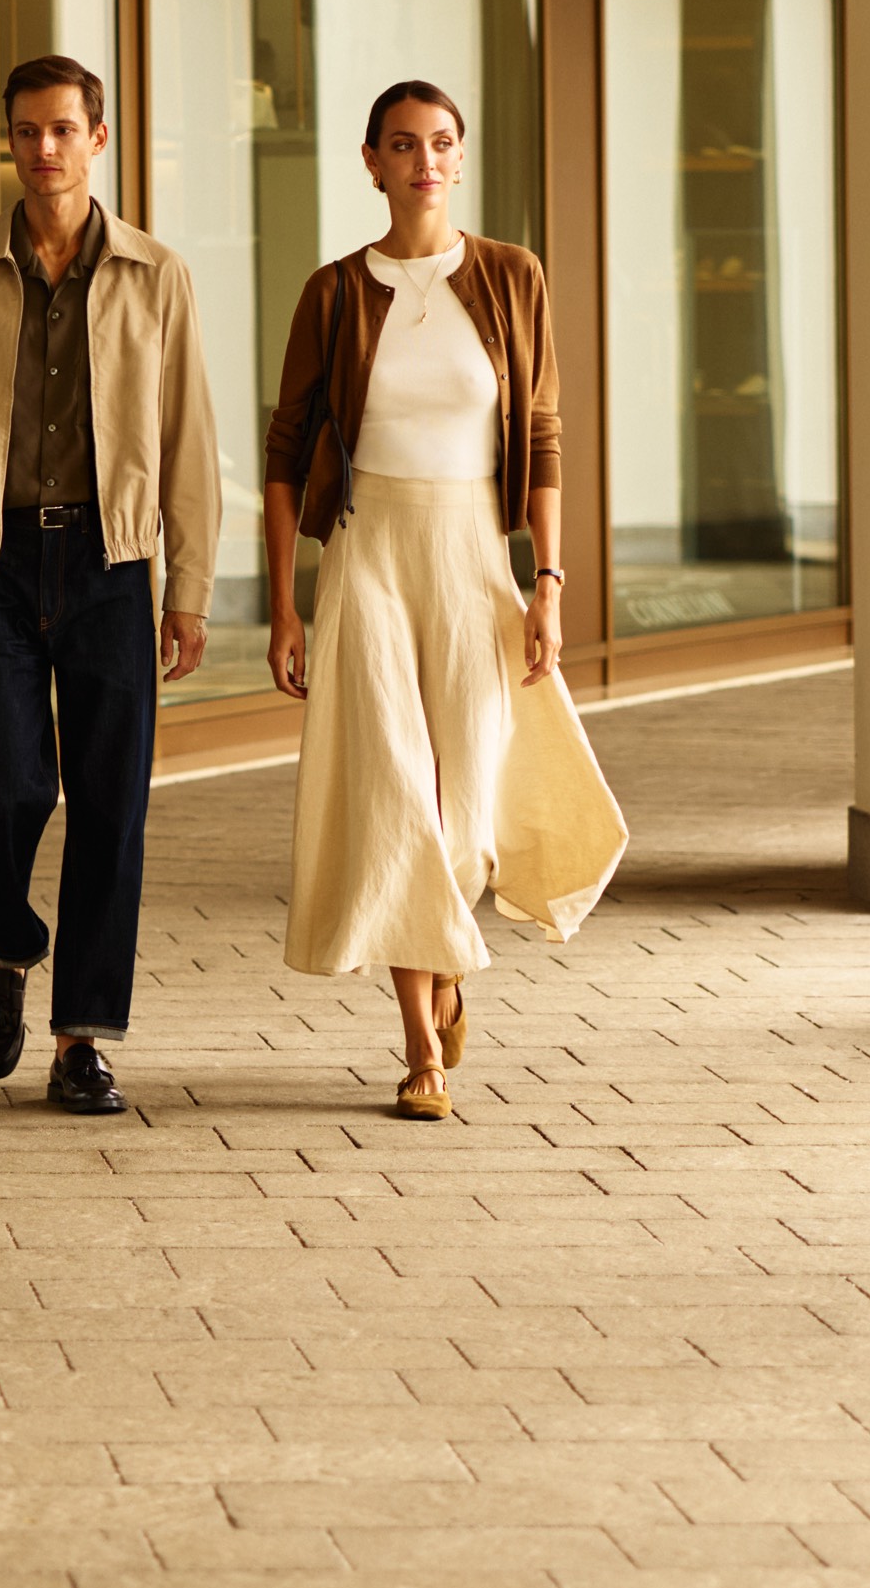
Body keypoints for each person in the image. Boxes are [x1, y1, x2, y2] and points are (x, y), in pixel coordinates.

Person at [263, 79, 625, 1122]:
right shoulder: (332, 293)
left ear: (461, 160)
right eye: (403, 144)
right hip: (369, 553)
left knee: (463, 810)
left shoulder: (513, 277)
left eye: (442, 143)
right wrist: (288, 605)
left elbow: (544, 436)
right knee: (392, 797)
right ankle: (420, 1045)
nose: (425, 160)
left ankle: (445, 960)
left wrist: (547, 583)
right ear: (370, 162)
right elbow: (288, 452)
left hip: (473, 557)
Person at [0, 52, 220, 1116]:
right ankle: (12, 941)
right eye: (26, 131)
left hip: (113, 563)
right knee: (4, 787)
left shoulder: (158, 277)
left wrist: (189, 585)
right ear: (8, 141)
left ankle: (81, 1041)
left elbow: (189, 440)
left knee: (111, 806)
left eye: (64, 129)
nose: (43, 149)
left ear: (98, 139)